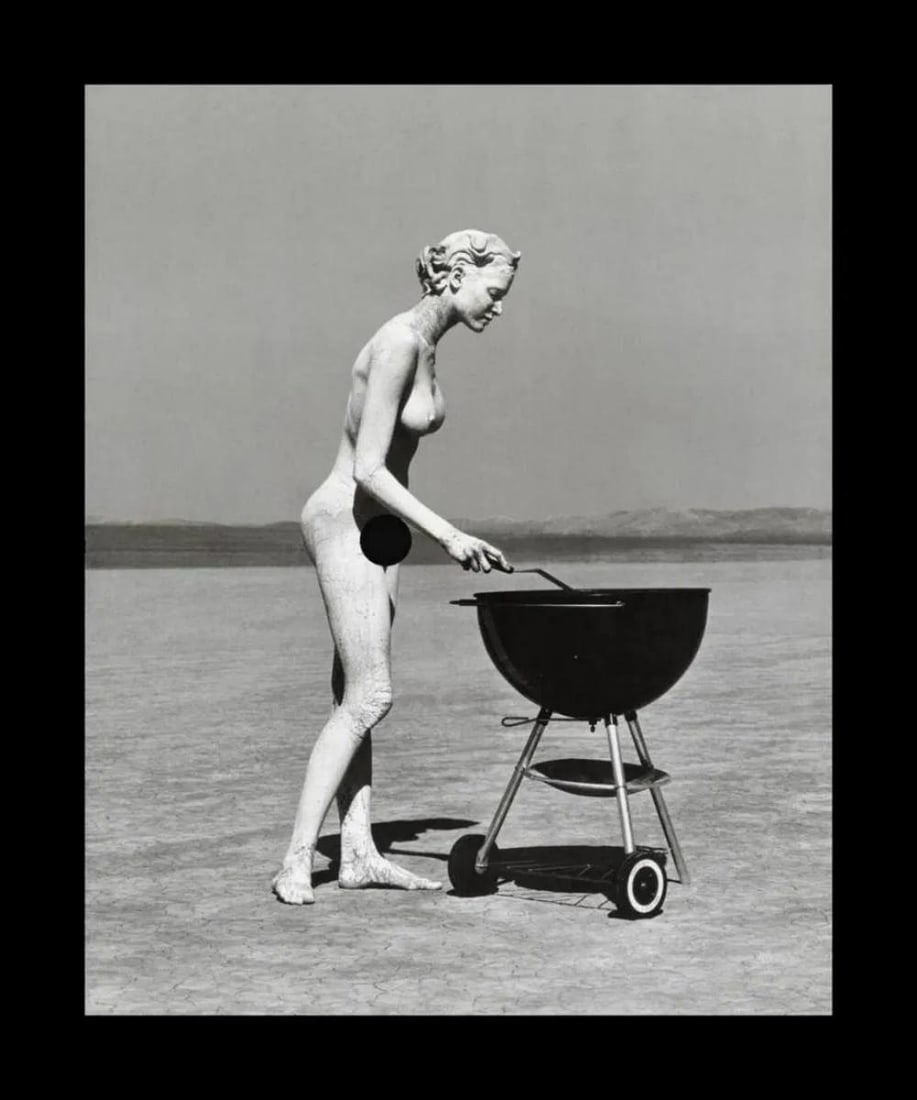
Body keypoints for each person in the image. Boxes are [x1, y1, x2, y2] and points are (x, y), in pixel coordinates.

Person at [272, 229, 520, 904]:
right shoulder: (398, 343)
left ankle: (358, 853)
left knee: (356, 691)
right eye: (493, 293)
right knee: (372, 696)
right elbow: (368, 467)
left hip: (377, 530)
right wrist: (449, 535)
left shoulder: (428, 345)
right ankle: (296, 861)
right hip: (345, 518)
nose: (498, 308)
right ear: (454, 275)